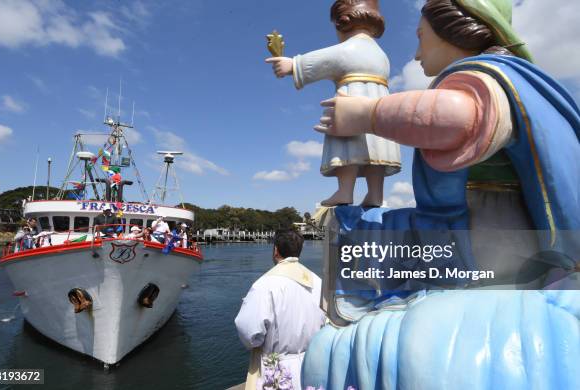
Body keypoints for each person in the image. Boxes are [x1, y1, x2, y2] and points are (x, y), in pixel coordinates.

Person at [302, 0, 580, 388]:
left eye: (421, 37)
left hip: (489, 253)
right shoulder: (508, 81)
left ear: (458, 29)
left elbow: (458, 117)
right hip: (489, 244)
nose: (415, 54)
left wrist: (367, 115)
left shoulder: (488, 78)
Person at [266, 0, 401, 206]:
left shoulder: (350, 47)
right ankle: (375, 194)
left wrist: (293, 64)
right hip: (380, 103)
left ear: (342, 23)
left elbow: (326, 59)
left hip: (351, 99)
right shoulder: (381, 54)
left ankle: (345, 191)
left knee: (346, 145)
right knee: (376, 151)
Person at [234, 229, 326, 390]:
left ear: (275, 250)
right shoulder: (318, 282)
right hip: (313, 365)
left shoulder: (265, 285)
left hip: (278, 369)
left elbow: (249, 332)